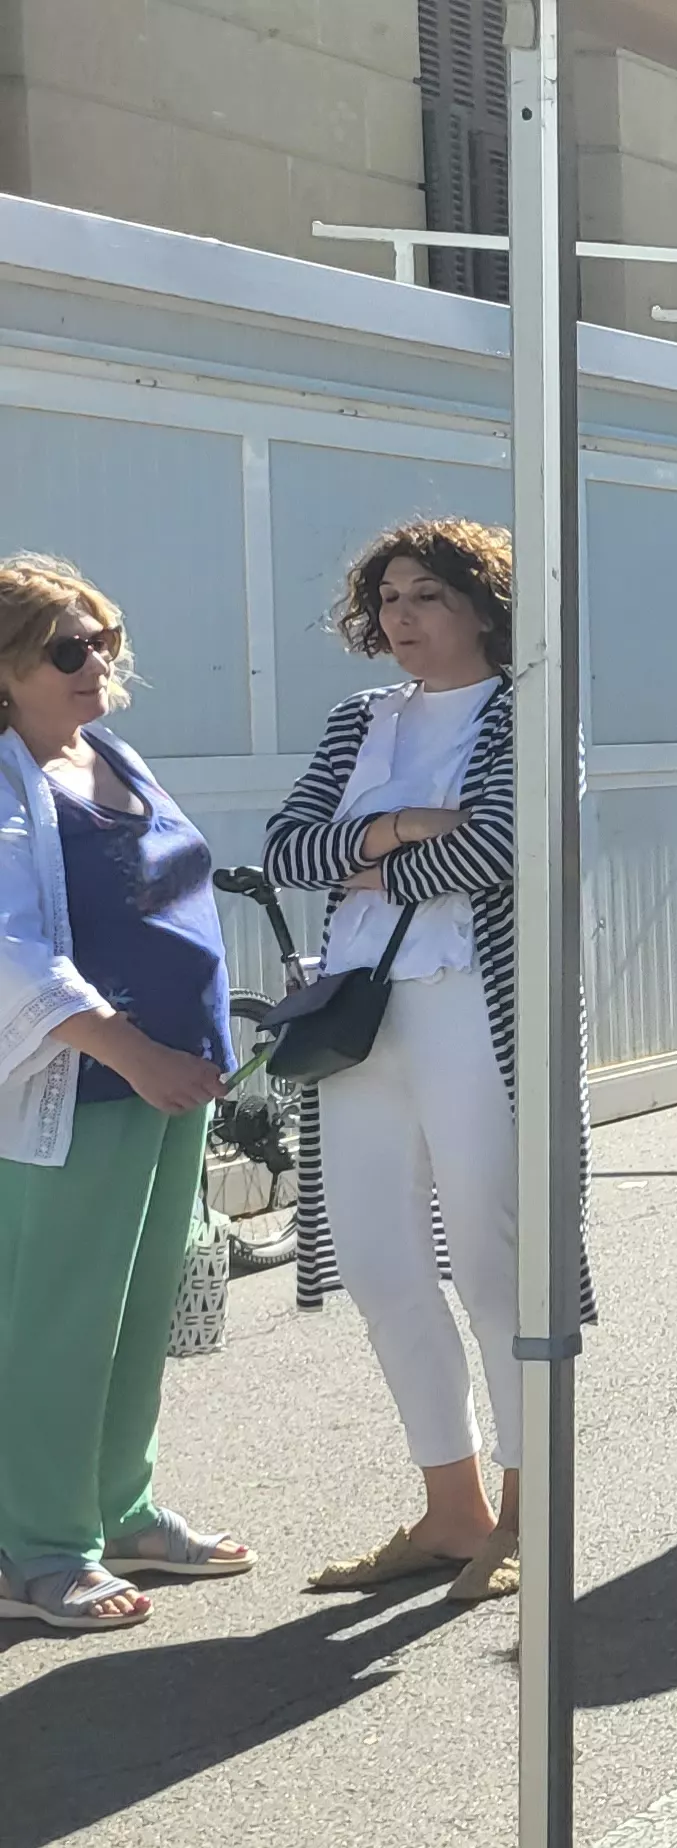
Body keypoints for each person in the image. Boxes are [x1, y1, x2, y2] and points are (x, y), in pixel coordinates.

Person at [269, 518, 534, 1606]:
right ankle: (449, 1509)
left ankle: (526, 1514)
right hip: (359, 1015)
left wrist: (377, 858)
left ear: (483, 604)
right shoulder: (359, 718)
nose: (401, 617)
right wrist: (397, 831)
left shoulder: (526, 709)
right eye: (387, 599)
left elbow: (502, 848)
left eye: (427, 594)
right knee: (379, 1264)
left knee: (494, 1265)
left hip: (473, 1003)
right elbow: (288, 849)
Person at [0, 557, 251, 1631]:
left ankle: (120, 1508)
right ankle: (40, 1550)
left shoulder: (108, 754)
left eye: (103, 638)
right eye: (67, 647)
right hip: (82, 1088)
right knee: (61, 1323)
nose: (96, 661)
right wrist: (131, 1050)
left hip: (163, 1083)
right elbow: (8, 948)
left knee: (138, 1313)